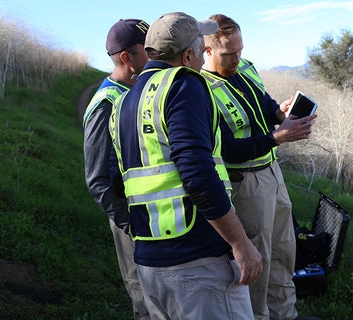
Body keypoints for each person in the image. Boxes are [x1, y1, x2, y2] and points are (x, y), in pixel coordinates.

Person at [109, 12, 263, 320]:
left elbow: (116, 182)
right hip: (199, 265)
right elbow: (196, 174)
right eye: (200, 50)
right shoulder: (184, 84)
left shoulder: (124, 102)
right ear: (188, 54)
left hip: (149, 262)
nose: (204, 61)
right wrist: (240, 242)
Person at [201, 14, 319, 320]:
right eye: (229, 53)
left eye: (240, 50)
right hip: (246, 184)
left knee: (284, 250)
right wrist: (279, 137)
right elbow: (227, 149)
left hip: (272, 173)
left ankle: (286, 314)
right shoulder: (202, 89)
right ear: (207, 51)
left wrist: (281, 114)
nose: (238, 58)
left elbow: (265, 106)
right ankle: (257, 316)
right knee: (258, 258)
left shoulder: (246, 66)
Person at [82, 18, 150, 320]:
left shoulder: (142, 88)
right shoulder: (105, 104)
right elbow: (98, 180)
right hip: (132, 220)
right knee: (144, 296)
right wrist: (130, 225)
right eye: (147, 49)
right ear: (127, 57)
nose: (155, 54)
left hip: (158, 215)